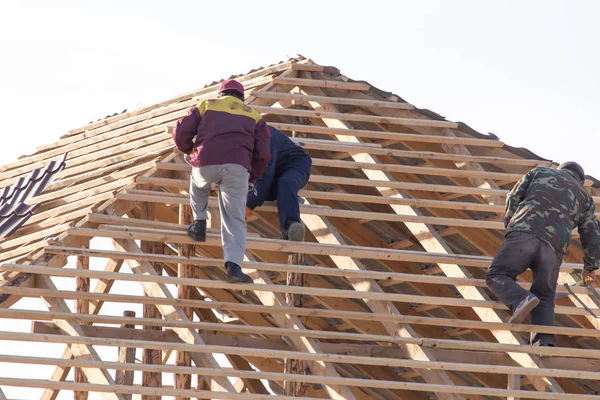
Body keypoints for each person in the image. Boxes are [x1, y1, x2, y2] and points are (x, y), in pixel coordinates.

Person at [486, 161, 600, 346]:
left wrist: (510, 221)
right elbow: (593, 235)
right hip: (553, 249)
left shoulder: (539, 172)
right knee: (545, 296)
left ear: (560, 170)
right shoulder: (585, 198)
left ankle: (522, 299)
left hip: (525, 233)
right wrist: (590, 267)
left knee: (497, 274)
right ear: (580, 180)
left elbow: (514, 196)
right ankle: (544, 343)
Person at [172, 79, 271, 283]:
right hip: (237, 166)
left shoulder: (207, 105)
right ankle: (234, 269)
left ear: (221, 94)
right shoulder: (254, 116)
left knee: (198, 185)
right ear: (241, 97)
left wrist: (190, 150)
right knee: (234, 218)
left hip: (206, 161)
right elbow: (263, 154)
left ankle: (199, 223)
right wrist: (250, 177)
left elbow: (180, 131)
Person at [246, 126, 312, 241]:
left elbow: (265, 176)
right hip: (272, 172)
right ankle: (288, 196)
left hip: (295, 165)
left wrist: (247, 207)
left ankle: (290, 227)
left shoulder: (263, 137)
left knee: (285, 182)